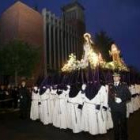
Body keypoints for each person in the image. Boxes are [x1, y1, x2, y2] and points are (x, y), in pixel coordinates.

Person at [108, 72, 131, 140]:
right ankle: (116, 137)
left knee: (123, 124)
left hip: (121, 108)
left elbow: (129, 97)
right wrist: (109, 105)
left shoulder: (124, 85)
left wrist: (122, 100)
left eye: (116, 76)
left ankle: (124, 137)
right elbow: (109, 97)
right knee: (115, 124)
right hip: (114, 108)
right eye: (114, 77)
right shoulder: (110, 86)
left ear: (119, 78)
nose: (115, 78)